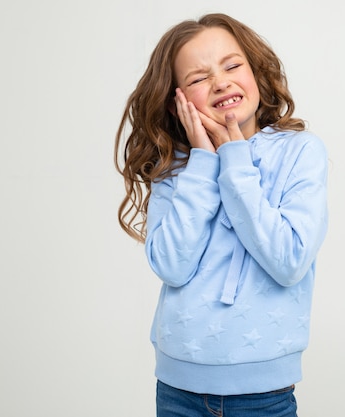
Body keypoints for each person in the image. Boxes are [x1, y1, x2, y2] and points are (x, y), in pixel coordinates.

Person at [114, 12, 328, 417]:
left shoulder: (300, 152)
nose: (220, 82)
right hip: (178, 389)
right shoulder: (176, 168)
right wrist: (202, 163)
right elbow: (172, 266)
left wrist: (233, 160)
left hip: (264, 393)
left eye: (232, 66)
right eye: (198, 78)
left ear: (256, 73)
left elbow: (289, 261)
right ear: (177, 99)